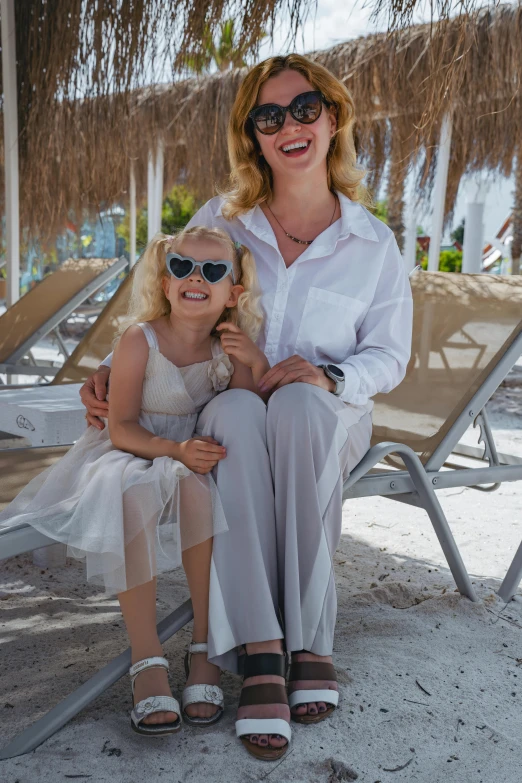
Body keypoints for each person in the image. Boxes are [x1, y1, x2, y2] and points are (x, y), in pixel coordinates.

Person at [80, 53, 413, 760]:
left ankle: (311, 641)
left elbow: (389, 357)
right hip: (232, 405)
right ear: (253, 135)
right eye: (269, 116)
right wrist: (114, 370)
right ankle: (264, 648)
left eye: (303, 109)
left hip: (326, 415)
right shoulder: (221, 221)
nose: (288, 125)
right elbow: (174, 311)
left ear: (332, 118)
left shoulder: (372, 244)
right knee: (234, 416)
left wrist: (325, 373)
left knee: (294, 408)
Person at [0, 225, 269, 736]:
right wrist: (173, 451)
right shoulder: (138, 340)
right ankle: (146, 658)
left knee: (196, 488)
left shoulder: (227, 348)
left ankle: (205, 645)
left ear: (233, 293)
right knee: (134, 491)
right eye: (182, 267)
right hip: (129, 452)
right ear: (165, 282)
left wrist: (254, 362)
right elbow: (120, 426)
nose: (196, 278)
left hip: (186, 458)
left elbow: (245, 407)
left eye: (213, 271)